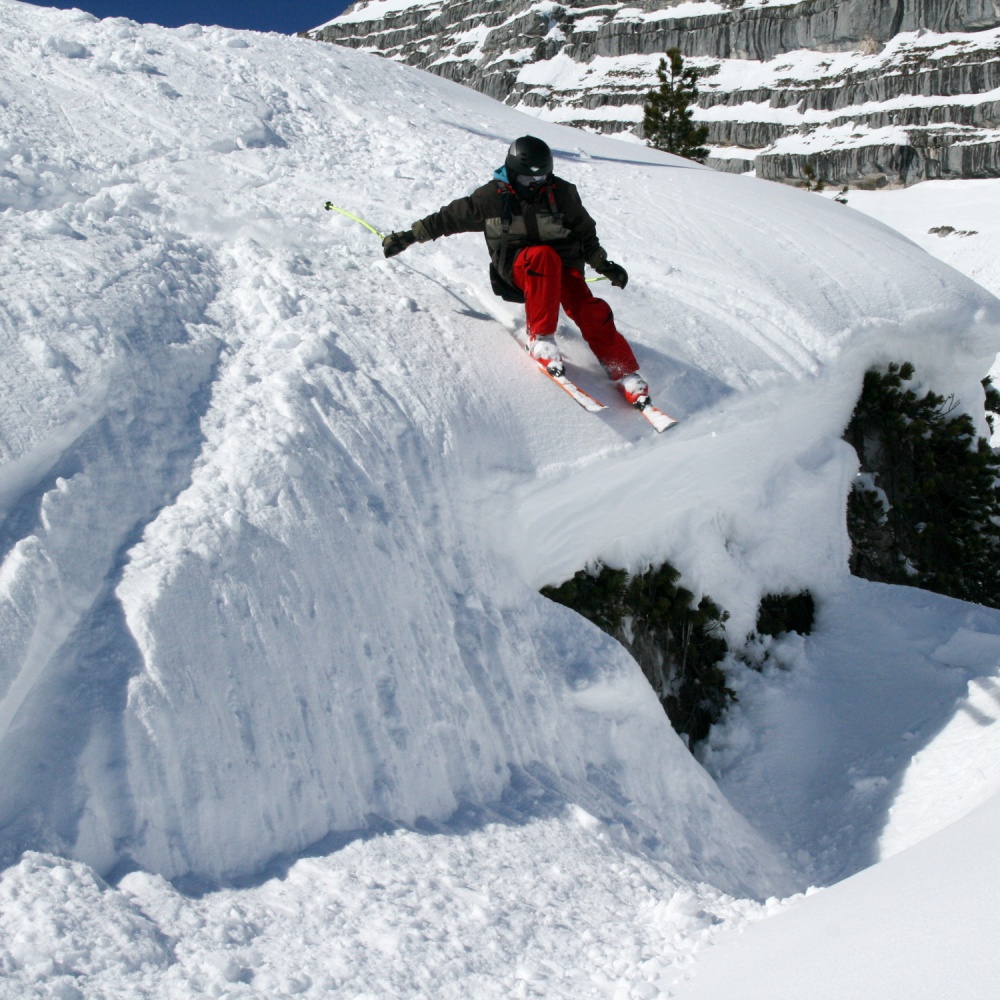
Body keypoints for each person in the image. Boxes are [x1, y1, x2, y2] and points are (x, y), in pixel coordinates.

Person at [381, 135, 652, 407]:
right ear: (512, 172)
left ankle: (623, 370)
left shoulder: (561, 193)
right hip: (519, 269)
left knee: (588, 306)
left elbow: (585, 234)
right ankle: (542, 339)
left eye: (541, 178)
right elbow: (447, 219)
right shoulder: (492, 198)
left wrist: (604, 265)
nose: (534, 185)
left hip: (563, 267)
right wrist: (408, 236)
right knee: (543, 256)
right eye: (526, 180)